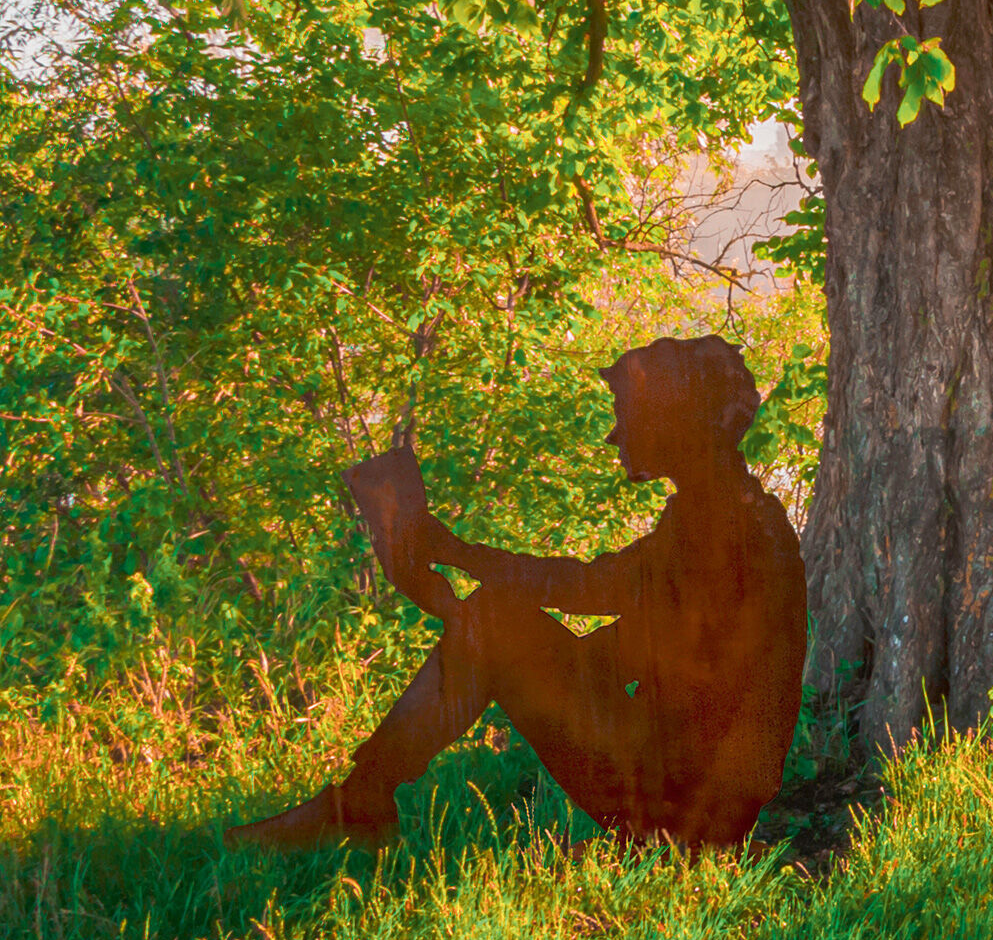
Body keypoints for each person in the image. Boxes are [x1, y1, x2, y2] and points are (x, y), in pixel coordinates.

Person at [225, 335, 806, 849]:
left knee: (496, 621)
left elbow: (590, 588)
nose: (615, 436)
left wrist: (460, 561)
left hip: (685, 811)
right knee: (496, 621)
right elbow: (658, 646)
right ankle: (359, 803)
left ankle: (358, 808)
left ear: (673, 421)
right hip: (688, 796)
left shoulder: (723, 523)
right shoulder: (726, 512)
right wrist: (482, 633)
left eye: (628, 416)